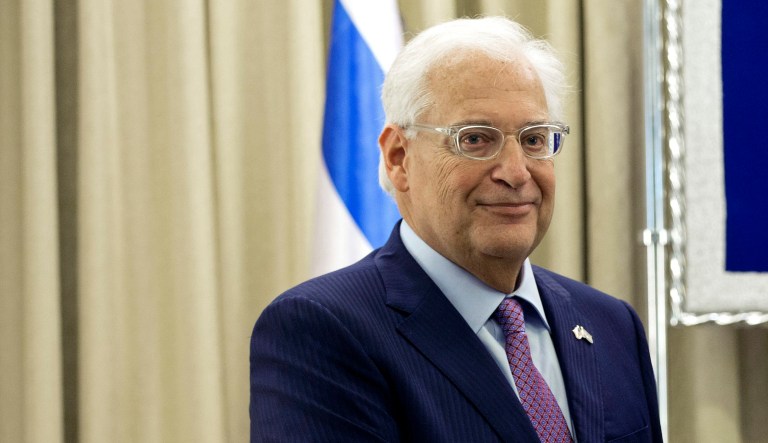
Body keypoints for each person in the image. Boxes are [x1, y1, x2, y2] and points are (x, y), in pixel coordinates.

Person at [250, 16, 662, 443]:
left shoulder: (612, 324)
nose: (516, 172)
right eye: (475, 139)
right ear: (398, 158)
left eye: (534, 139)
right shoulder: (322, 330)